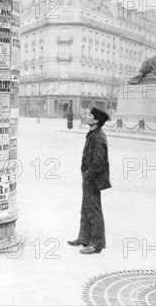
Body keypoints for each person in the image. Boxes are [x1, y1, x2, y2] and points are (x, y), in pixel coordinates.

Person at [68, 106, 111, 254]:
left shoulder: (98, 137)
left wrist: (87, 174)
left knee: (93, 210)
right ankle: (84, 238)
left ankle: (97, 244)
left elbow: (98, 162)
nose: (86, 116)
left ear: (96, 120)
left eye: (89, 115)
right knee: (86, 208)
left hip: (93, 178)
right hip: (89, 177)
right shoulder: (94, 134)